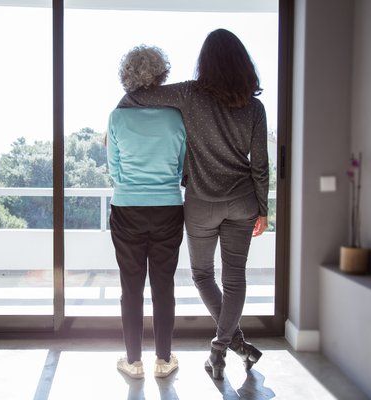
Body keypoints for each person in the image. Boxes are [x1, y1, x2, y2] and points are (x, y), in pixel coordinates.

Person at [118, 29, 268, 380]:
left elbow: (138, 97)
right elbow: (260, 164)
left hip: (201, 204)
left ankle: (225, 346)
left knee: (202, 276)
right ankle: (228, 345)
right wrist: (263, 208)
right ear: (243, 64)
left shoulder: (189, 93)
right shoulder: (255, 107)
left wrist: (117, 114)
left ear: (205, 62)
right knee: (235, 278)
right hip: (243, 203)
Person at [107, 45, 186, 379]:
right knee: (163, 285)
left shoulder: (117, 117)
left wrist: (133, 187)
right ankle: (164, 360)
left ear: (127, 76)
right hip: (169, 207)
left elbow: (115, 170)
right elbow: (183, 166)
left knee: (131, 287)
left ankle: (134, 361)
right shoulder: (175, 116)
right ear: (161, 77)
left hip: (127, 209)